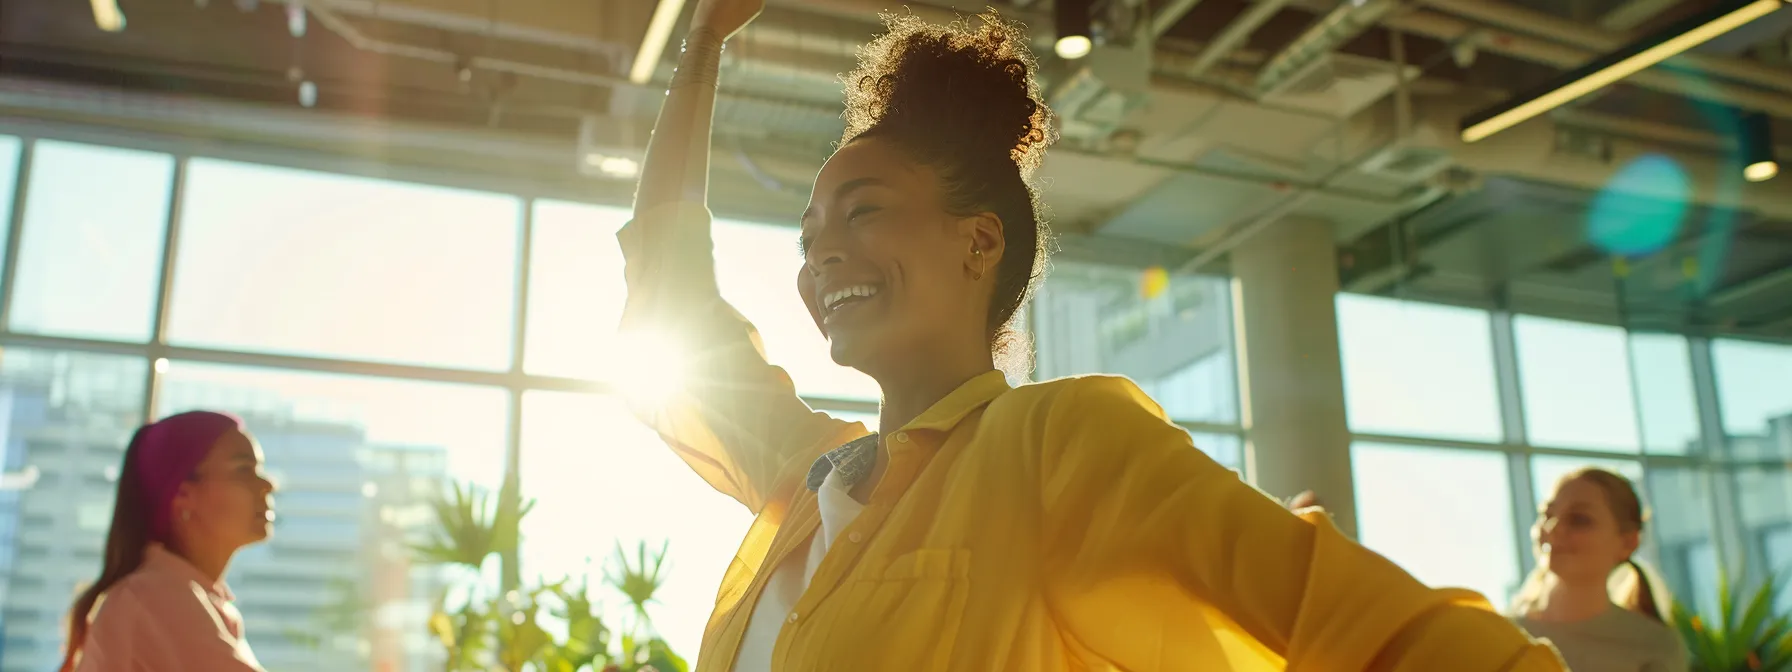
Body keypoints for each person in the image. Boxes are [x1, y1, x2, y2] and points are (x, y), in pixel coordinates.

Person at [619, 0, 1566, 669]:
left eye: (862, 213)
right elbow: (669, 296)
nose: (823, 253)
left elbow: (1381, 634)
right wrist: (700, 43)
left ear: (978, 240)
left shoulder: (1055, 450)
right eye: (810, 233)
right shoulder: (807, 481)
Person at [59, 411, 276, 672]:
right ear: (183, 495)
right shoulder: (156, 598)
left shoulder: (180, 596)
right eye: (244, 470)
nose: (267, 485)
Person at [1511, 468, 1689, 672]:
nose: (1553, 528)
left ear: (1628, 542)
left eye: (1579, 519)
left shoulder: (1656, 645)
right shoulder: (1502, 634)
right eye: (1547, 514)